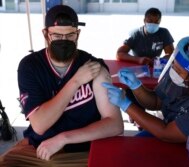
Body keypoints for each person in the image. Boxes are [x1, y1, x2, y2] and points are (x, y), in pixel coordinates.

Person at [0, 5, 123, 166]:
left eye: (70, 35)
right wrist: (76, 81)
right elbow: (40, 125)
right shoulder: (30, 66)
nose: (64, 41)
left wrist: (63, 138)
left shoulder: (94, 67)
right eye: (57, 35)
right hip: (40, 147)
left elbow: (115, 124)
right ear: (46, 34)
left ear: (77, 34)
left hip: (83, 150)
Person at [103, 34, 189, 143]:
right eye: (174, 65)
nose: (172, 71)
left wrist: (126, 105)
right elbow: (157, 102)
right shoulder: (183, 79)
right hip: (169, 131)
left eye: (178, 70)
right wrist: (136, 86)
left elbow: (166, 133)